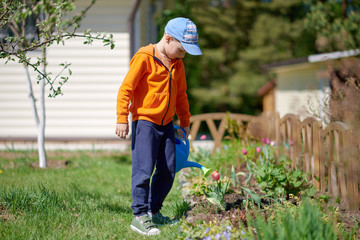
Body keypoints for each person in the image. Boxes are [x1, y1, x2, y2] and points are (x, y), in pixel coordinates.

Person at [115, 17, 202, 236]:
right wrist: (121, 118)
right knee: (143, 170)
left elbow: (181, 95)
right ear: (168, 38)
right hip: (145, 122)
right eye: (181, 50)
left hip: (166, 125)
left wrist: (185, 122)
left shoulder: (177, 64)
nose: (183, 56)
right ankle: (139, 215)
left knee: (168, 168)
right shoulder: (145, 58)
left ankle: (154, 211)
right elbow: (126, 89)